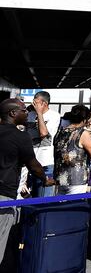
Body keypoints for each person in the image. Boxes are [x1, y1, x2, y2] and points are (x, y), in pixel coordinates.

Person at [0, 99, 52, 265]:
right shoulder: (20, 136)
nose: (27, 113)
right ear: (13, 113)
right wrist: (45, 179)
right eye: (23, 110)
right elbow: (33, 164)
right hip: (4, 197)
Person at [26, 91, 60, 197]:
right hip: (29, 162)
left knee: (44, 198)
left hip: (45, 163)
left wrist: (39, 113)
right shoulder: (29, 115)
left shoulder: (54, 115)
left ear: (44, 103)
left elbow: (43, 133)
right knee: (30, 197)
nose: (33, 103)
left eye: (36, 101)